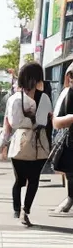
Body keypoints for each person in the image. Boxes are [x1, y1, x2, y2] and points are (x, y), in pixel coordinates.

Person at [3, 62, 52, 226]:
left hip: (20, 142)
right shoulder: (44, 97)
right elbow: (45, 121)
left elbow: (12, 122)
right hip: (39, 143)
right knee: (33, 180)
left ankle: (18, 209)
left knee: (19, 180)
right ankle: (25, 210)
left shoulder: (14, 99)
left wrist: (4, 141)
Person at [51, 64, 73, 214]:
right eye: (70, 75)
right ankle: (70, 198)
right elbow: (56, 122)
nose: (71, 79)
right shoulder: (68, 94)